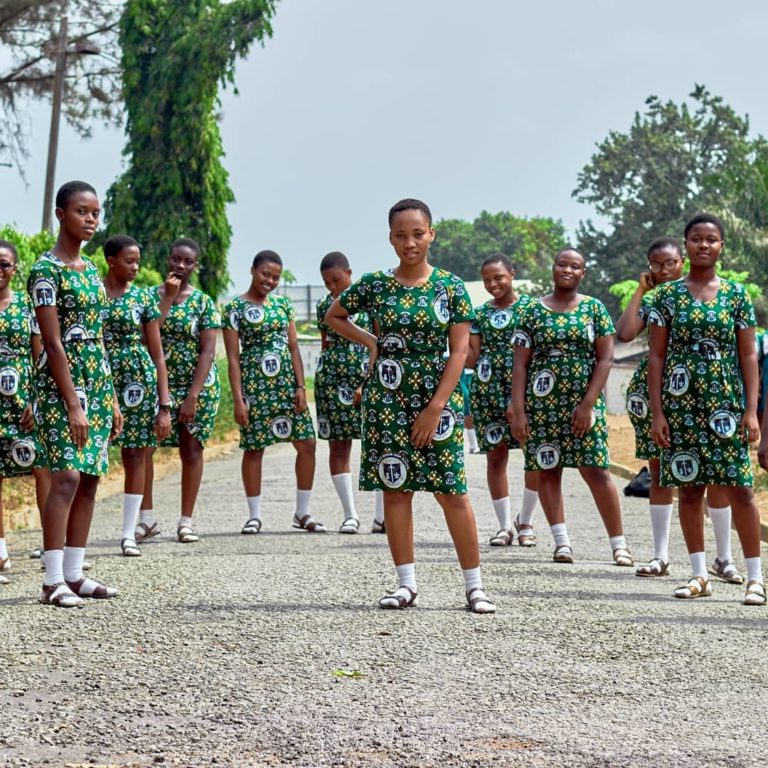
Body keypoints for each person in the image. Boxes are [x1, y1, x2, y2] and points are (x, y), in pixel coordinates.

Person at [326, 198, 496, 613]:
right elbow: (335, 315)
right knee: (396, 491)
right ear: (390, 238)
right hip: (387, 398)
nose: (410, 243)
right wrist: (372, 342)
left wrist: (436, 406)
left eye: (418, 233)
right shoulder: (375, 284)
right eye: (401, 235)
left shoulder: (450, 287)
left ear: (431, 234)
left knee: (451, 490)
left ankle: (474, 587)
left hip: (438, 398)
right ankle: (406, 584)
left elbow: (459, 353)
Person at [648, 213, 765, 605]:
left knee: (740, 490)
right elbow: (657, 356)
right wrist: (658, 412)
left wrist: (751, 410)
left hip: (726, 404)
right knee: (690, 488)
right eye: (696, 239)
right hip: (680, 406)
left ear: (721, 246)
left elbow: (749, 354)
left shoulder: (735, 295)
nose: (704, 245)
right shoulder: (665, 297)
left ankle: (755, 577)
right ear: (686, 246)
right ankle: (699, 574)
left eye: (711, 239)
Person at [617, 237, 742, 581]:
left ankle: (724, 557)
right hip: (656, 392)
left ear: (682, 261)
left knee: (717, 473)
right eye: (655, 264)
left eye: (669, 262)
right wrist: (641, 290)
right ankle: (660, 555)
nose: (662, 269)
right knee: (660, 472)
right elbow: (625, 332)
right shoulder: (656, 298)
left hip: (703, 391)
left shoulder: (711, 295)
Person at [28, 180, 123, 607]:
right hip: (60, 387)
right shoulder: (45, 271)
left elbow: (98, 337)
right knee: (65, 476)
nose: (91, 219)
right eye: (82, 211)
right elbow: (52, 343)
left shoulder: (91, 274)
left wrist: (113, 399)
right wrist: (72, 403)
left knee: (89, 478)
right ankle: (51, 581)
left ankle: (75, 573)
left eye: (96, 213)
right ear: (61, 214)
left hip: (98, 386)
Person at [509, 248, 633, 566]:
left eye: (575, 266)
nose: (567, 269)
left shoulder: (594, 309)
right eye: (562, 264)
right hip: (543, 405)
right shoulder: (531, 312)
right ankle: (561, 542)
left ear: (583, 273)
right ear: (553, 268)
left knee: (596, 470)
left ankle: (619, 545)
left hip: (585, 402)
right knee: (548, 470)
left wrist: (588, 404)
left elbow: (606, 358)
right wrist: (519, 409)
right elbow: (520, 365)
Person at [222, 250, 323, 533]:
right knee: (254, 449)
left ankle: (302, 513)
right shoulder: (234, 309)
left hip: (286, 388)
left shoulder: (283, 306)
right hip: (255, 388)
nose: (270, 281)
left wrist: (301, 387)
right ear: (253, 270)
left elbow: (293, 348)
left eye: (276, 277)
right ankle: (254, 515)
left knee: (307, 443)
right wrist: (239, 398)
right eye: (266, 274)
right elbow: (232, 357)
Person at [136, 238, 220, 544]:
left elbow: (208, 352)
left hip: (196, 386)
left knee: (191, 449)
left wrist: (192, 396)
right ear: (167, 260)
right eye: (175, 259)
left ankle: (186, 521)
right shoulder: (148, 297)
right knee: (145, 447)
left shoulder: (203, 302)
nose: (180, 266)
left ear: (195, 266)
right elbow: (146, 339)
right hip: (157, 384)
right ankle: (146, 519)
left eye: (187, 262)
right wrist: (167, 300)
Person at [101, 235, 172, 557]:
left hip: (138, 385)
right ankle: (60, 540)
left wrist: (164, 404)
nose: (135, 267)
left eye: (138, 262)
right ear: (111, 261)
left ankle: (129, 532)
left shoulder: (143, 298)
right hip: (99, 380)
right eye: (129, 261)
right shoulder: (92, 295)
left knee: (134, 455)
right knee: (86, 459)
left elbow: (157, 355)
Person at [469, 253, 539, 547]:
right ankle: (503, 526)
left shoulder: (532, 309)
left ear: (512, 273)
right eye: (487, 280)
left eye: (498, 277)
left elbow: (537, 351)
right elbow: (471, 357)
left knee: (534, 458)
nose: (492, 284)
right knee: (495, 458)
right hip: (487, 392)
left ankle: (526, 522)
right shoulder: (479, 314)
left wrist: (519, 400)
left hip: (523, 390)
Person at [316, 251, 384, 533]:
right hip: (331, 381)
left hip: (365, 378)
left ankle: (382, 517)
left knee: (378, 444)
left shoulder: (369, 304)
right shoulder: (323, 306)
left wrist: (366, 381)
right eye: (327, 283)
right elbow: (325, 343)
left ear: (349, 272)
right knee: (339, 444)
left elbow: (379, 344)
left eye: (336, 280)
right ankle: (350, 514)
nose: (333, 287)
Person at [0, 240, 50, 583]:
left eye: (4, 264)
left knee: (42, 470)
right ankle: (0, 551)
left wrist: (36, 400)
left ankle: (52, 548)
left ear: (15, 269)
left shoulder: (26, 307)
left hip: (24, 406)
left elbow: (41, 357)